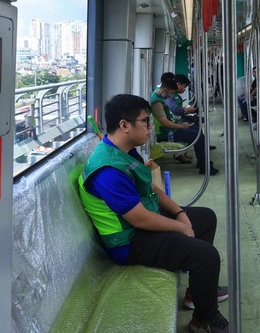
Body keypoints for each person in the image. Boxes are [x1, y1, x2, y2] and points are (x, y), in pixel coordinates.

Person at [77, 94, 229, 333]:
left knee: (205, 217)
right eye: (145, 122)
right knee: (206, 256)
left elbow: (150, 189)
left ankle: (197, 293)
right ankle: (203, 319)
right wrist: (181, 227)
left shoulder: (124, 150)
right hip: (128, 242)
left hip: (141, 223)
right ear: (124, 125)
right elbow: (139, 219)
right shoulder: (108, 170)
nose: (150, 127)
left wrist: (180, 213)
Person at [151, 78, 218, 175]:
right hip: (164, 133)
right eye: (171, 93)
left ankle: (202, 163)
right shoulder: (156, 103)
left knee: (196, 130)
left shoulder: (159, 97)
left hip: (168, 129)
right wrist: (181, 126)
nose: (170, 96)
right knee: (197, 136)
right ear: (165, 90)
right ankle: (204, 167)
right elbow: (165, 122)